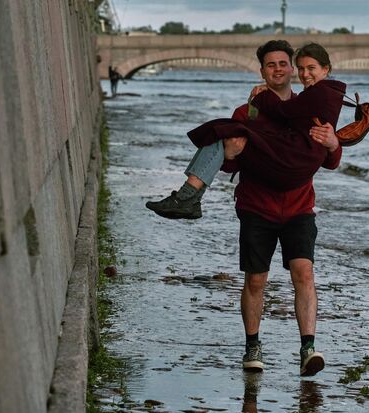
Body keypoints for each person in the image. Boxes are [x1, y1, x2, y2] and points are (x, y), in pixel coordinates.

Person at [146, 41, 343, 376]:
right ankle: (253, 345)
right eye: (271, 65)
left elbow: (328, 161)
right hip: (257, 207)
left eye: (284, 63)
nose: (278, 69)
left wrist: (335, 144)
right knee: (256, 280)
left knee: (304, 273)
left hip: (299, 207)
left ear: (291, 69)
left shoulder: (310, 109)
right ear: (262, 70)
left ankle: (308, 348)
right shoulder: (247, 112)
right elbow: (227, 164)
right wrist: (233, 153)